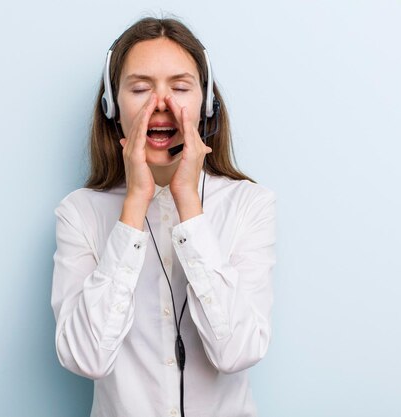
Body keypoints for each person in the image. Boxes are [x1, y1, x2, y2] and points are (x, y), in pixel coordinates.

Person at [51, 16, 276, 417]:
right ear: (111, 106)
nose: (160, 104)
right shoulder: (79, 213)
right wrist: (135, 202)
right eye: (140, 88)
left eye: (180, 87)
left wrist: (188, 201)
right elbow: (86, 358)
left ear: (205, 104)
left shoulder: (249, 205)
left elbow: (237, 352)